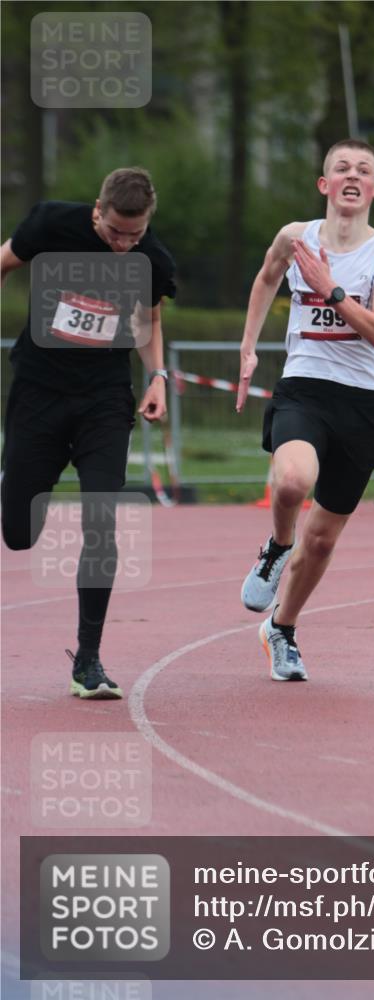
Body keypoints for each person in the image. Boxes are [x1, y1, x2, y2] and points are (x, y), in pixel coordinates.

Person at [236, 139, 374, 681]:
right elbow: (266, 277)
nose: (352, 176)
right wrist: (248, 347)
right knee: (292, 482)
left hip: (361, 401)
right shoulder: (295, 236)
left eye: (363, 170)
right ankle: (276, 546)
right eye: (342, 168)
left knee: (324, 538)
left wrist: (330, 291)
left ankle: (281, 628)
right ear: (324, 184)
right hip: (304, 387)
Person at [1, 167, 176, 697]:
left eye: (134, 234)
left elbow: (149, 321)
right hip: (39, 393)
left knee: (102, 519)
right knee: (18, 533)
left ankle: (89, 660)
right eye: (115, 232)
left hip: (104, 399)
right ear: (97, 211)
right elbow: (4, 262)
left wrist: (158, 377)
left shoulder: (152, 260)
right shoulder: (52, 224)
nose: (124, 244)